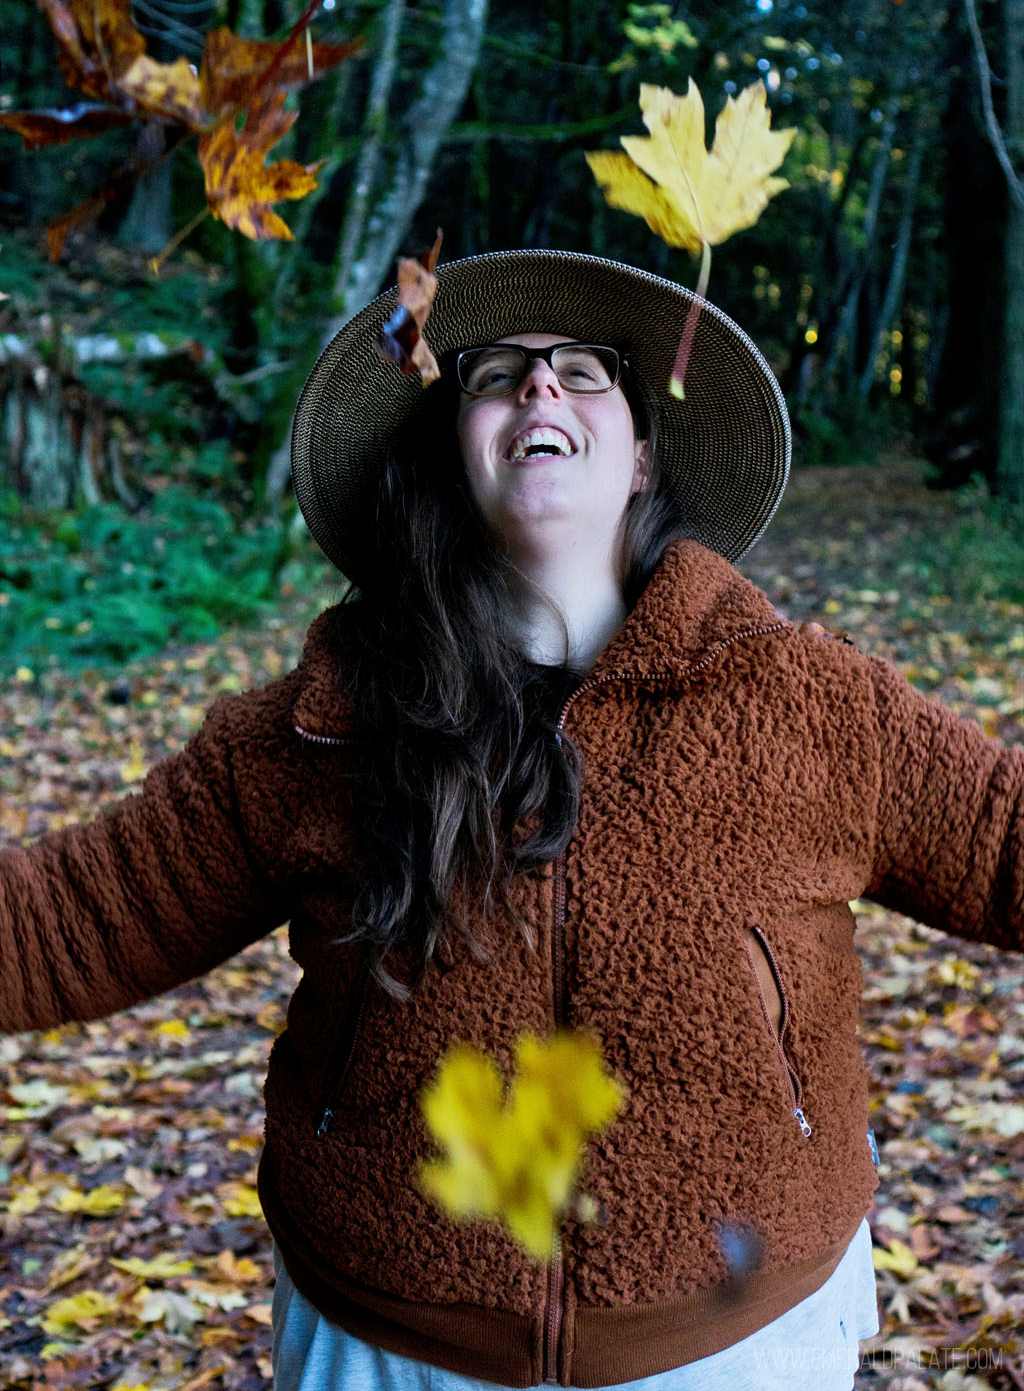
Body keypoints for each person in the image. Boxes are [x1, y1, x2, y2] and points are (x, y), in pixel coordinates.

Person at [1, 249, 1022, 1391]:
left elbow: (1007, 842)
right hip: (385, 1347)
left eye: (584, 372)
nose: (540, 390)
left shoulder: (807, 701)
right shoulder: (316, 730)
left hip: (740, 1343)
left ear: (642, 455)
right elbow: (59, 924)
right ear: (451, 445)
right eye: (495, 375)